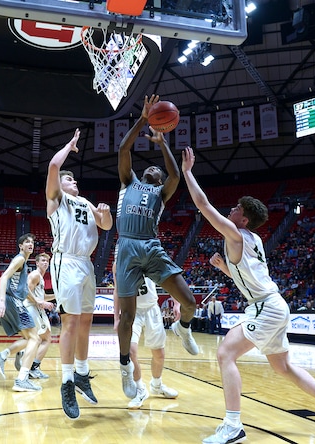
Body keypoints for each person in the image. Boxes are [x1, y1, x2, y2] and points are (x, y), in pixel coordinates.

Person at [181, 146, 315, 442]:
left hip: (266, 307)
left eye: (237, 209)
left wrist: (187, 172)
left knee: (225, 353)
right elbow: (252, 278)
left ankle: (233, 425)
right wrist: (227, 269)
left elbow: (203, 204)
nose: (232, 209)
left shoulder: (236, 234)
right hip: (272, 304)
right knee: (283, 366)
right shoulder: (253, 240)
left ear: (244, 219)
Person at [115, 95, 198, 402]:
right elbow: (124, 149)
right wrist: (143, 118)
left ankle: (184, 327)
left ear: (159, 180)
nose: (153, 171)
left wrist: (162, 142)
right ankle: (125, 367)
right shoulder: (129, 182)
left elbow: (176, 175)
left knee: (189, 301)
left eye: (157, 172)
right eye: (149, 169)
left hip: (151, 247)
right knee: (126, 318)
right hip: (127, 248)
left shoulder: (161, 193)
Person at [46, 129, 113, 419]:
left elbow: (107, 226)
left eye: (74, 180)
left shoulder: (85, 201)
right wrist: (69, 146)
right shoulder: (56, 199)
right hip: (66, 262)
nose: (75, 182)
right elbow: (52, 166)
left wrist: (106, 212)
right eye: (69, 179)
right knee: (71, 322)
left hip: (87, 263)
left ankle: (83, 373)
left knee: (87, 320)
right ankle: (67, 382)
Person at [113, 269, 179, 409]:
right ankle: (140, 389)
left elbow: (169, 280)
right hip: (131, 310)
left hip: (151, 309)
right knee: (130, 351)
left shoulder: (149, 256)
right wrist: (116, 318)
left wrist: (177, 303)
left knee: (159, 355)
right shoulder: (118, 264)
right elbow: (117, 290)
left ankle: (157, 385)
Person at [0, 233, 43, 392]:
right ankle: (21, 379)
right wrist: (2, 301)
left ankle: (3, 355)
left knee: (31, 339)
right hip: (12, 302)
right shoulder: (20, 259)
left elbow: (25, 291)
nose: (30, 244)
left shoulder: (24, 263)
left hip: (15, 301)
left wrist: (38, 302)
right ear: (20, 246)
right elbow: (3, 277)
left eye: (32, 242)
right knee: (35, 338)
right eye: (27, 242)